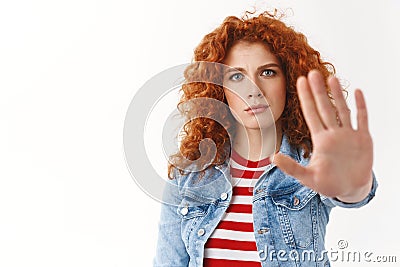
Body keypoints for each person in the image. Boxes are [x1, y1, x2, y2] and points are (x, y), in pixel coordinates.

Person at [153, 10, 378, 267]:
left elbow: (353, 192)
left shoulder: (312, 162)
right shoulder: (191, 172)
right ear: (219, 90)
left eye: (268, 72)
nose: (254, 90)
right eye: (237, 77)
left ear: (290, 81)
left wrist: (354, 184)